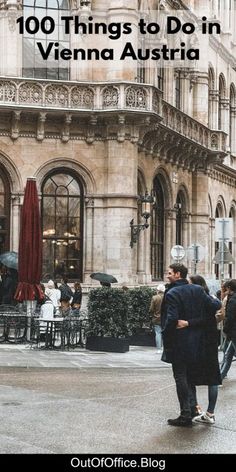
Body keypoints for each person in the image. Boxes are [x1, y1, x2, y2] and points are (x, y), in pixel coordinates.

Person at [161, 263, 221, 427]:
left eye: (170, 272)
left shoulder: (172, 292)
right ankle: (193, 410)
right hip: (197, 343)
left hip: (179, 342)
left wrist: (165, 334)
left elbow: (171, 318)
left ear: (178, 274)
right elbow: (216, 306)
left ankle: (185, 414)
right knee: (189, 377)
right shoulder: (197, 289)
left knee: (180, 377)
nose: (167, 275)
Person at [180, 275, 222, 425]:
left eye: (190, 284)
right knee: (210, 379)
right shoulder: (208, 299)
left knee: (191, 376)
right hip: (208, 343)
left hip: (199, 343)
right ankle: (203, 411)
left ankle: (201, 410)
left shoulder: (201, 300)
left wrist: (188, 323)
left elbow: (210, 316)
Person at [220, 279, 236, 381]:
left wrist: (225, 330)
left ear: (229, 288)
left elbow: (230, 317)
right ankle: (219, 377)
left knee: (228, 355)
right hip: (233, 332)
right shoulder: (232, 298)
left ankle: (219, 377)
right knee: (228, 355)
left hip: (233, 332)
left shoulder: (232, 300)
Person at [149, 283, 165, 353]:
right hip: (165, 318)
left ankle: (159, 349)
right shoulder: (167, 297)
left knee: (158, 333)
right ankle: (165, 348)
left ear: (158, 290)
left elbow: (151, 309)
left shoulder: (154, 297)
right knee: (165, 333)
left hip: (156, 318)